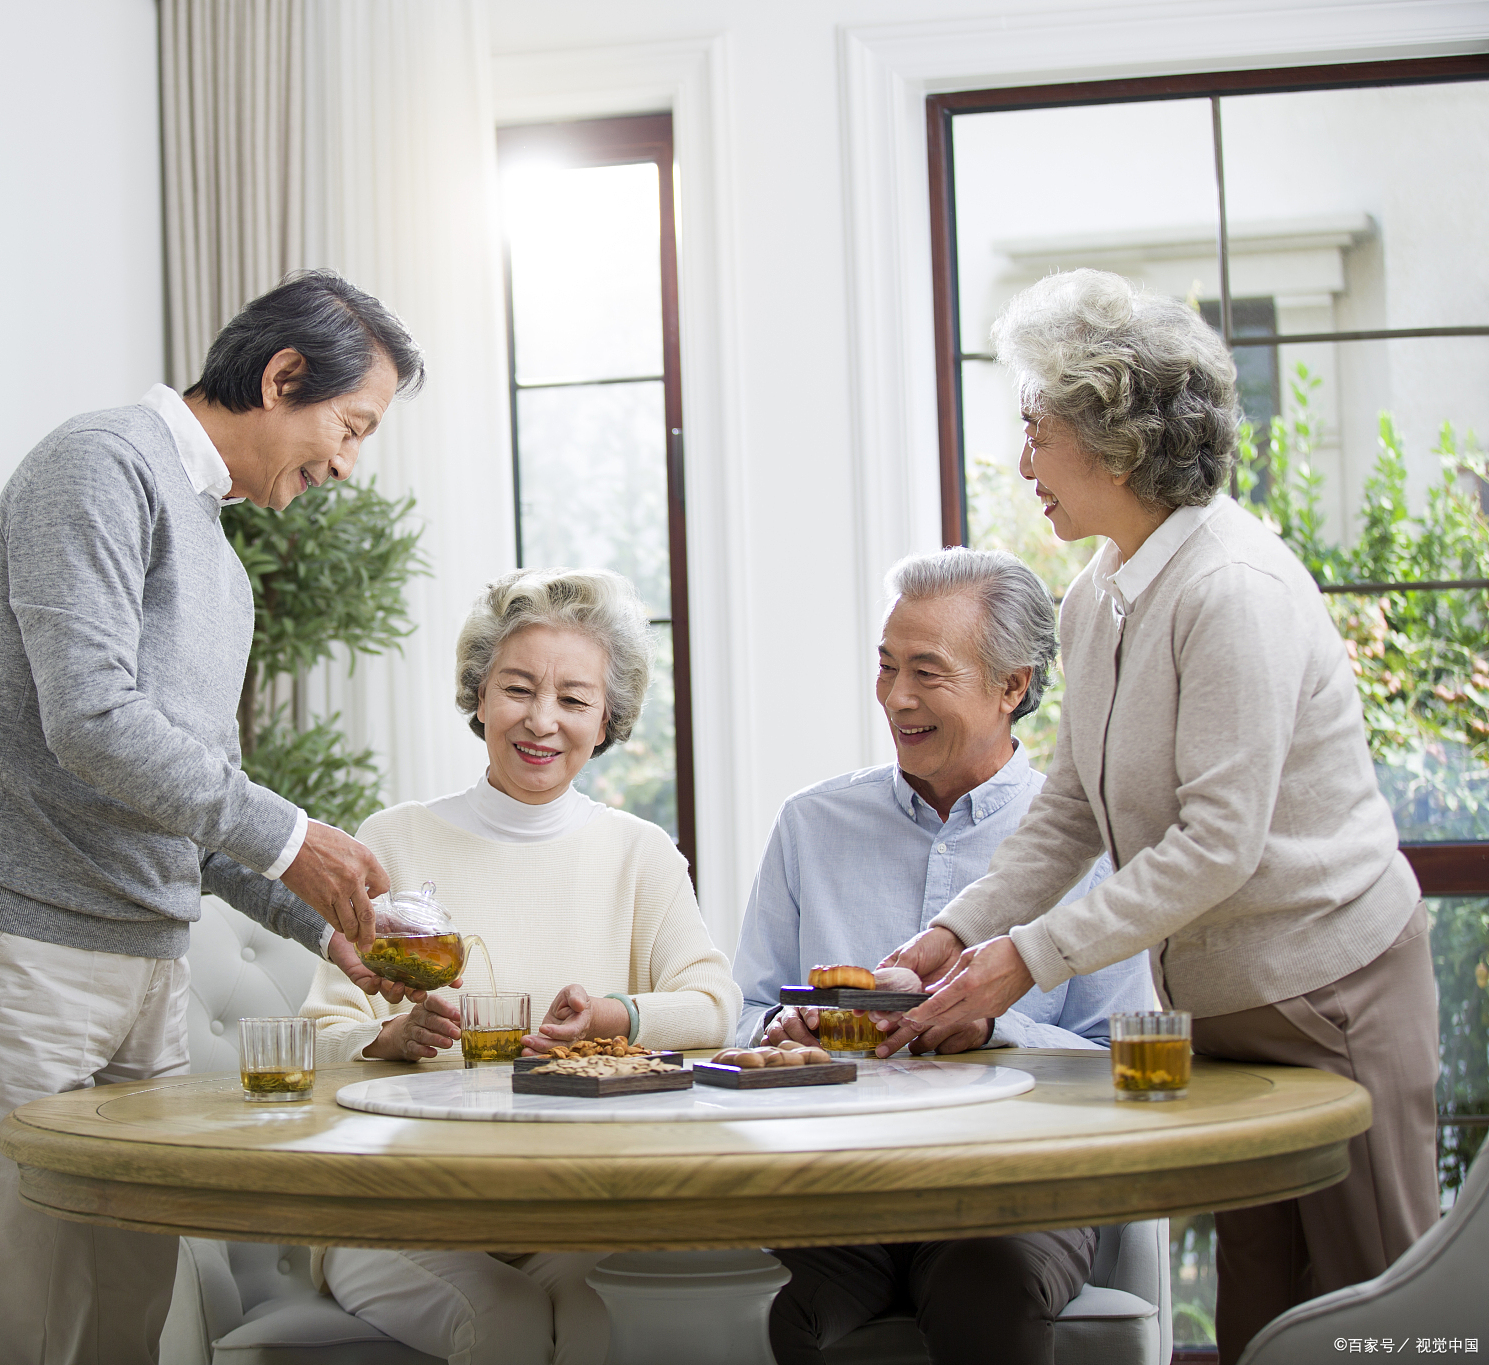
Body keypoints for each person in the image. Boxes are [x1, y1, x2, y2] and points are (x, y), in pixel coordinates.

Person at [880, 269, 1438, 1362]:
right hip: (1228, 1012)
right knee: (1259, 1318)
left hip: (1332, 993)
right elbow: (1072, 809)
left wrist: (1021, 960)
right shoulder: (1101, 592)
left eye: (1036, 428)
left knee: (1376, 1313)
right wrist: (953, 936)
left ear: (1114, 438)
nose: (1022, 458)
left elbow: (1215, 846)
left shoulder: (1231, 589)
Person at [0, 270, 432, 1365]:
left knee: (124, 1326)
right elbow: (91, 722)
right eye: (349, 425)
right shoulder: (97, 466)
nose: (346, 462)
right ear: (282, 376)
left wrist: (323, 929)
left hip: (149, 972)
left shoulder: (222, 567)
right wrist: (295, 837)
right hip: (26, 955)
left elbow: (191, 804)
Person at [302, 567, 741, 1365]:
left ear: (608, 718)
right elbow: (317, 1033)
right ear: (478, 695)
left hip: (565, 1206)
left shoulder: (638, 854)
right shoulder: (394, 839)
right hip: (397, 1209)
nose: (543, 720)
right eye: (517, 688)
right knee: (499, 1319)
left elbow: (714, 1003)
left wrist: (615, 1016)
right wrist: (390, 1038)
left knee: (600, 1316)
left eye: (574, 699)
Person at [734, 546, 1149, 1365]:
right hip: (841, 1183)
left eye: (927, 671)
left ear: (1013, 686)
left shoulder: (1090, 838)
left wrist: (997, 1032)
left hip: (1018, 1187)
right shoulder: (811, 824)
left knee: (986, 1283)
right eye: (886, 667)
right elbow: (748, 1009)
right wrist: (788, 1030)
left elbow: (1122, 1058)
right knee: (790, 1306)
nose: (896, 698)